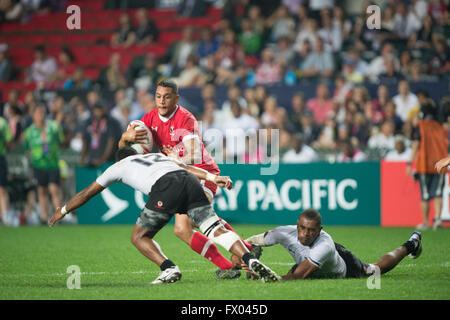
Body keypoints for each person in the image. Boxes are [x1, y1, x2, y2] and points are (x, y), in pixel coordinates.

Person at [49, 148, 280, 284]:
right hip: (189, 182)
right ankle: (249, 259)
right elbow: (187, 169)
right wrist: (212, 178)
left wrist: (63, 210)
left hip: (166, 186)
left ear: (119, 158)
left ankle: (169, 268)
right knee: (213, 228)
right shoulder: (156, 155)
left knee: (139, 236)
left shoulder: (117, 166)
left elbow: (88, 193)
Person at [118, 80, 257, 279]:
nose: (162, 101)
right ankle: (239, 257)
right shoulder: (149, 119)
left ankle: (243, 255)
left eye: (166, 97)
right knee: (183, 230)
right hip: (181, 177)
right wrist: (126, 136)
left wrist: (176, 158)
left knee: (189, 223)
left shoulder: (185, 119)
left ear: (176, 98)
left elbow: (193, 154)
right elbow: (123, 151)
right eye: (158, 96)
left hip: (201, 171)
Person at [243, 209, 422, 280]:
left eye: (311, 230)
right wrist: (243, 258)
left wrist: (270, 277)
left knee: (374, 270)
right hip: (309, 260)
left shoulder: (324, 245)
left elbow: (299, 276)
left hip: (344, 266)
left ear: (320, 230)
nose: (305, 233)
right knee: (297, 270)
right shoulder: (283, 232)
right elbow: (249, 241)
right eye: (302, 228)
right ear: (297, 225)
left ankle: (411, 244)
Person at [407, 99, 448, 230]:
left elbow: (415, 145)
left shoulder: (420, 126)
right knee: (438, 194)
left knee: (425, 195)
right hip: (440, 163)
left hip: (424, 164)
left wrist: (409, 163)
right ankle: (438, 220)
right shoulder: (442, 127)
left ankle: (425, 222)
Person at [23, 104, 64, 224]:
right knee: (41, 191)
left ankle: (59, 216)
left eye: (42, 113)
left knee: (54, 189)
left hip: (52, 164)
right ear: (33, 115)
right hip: (38, 165)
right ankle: (45, 217)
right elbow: (27, 148)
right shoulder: (29, 131)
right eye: (38, 113)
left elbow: (61, 140)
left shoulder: (52, 127)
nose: (41, 115)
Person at [80, 102, 122, 167]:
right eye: (96, 110)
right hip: (92, 159)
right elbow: (85, 140)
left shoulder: (111, 122)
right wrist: (82, 158)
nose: (97, 112)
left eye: (100, 110)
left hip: (108, 161)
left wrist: (102, 159)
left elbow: (111, 142)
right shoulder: (89, 122)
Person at [0, 115, 12, 225]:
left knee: (1, 188)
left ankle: (5, 216)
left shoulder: (3, 123)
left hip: (0, 158)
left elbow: (9, 141)